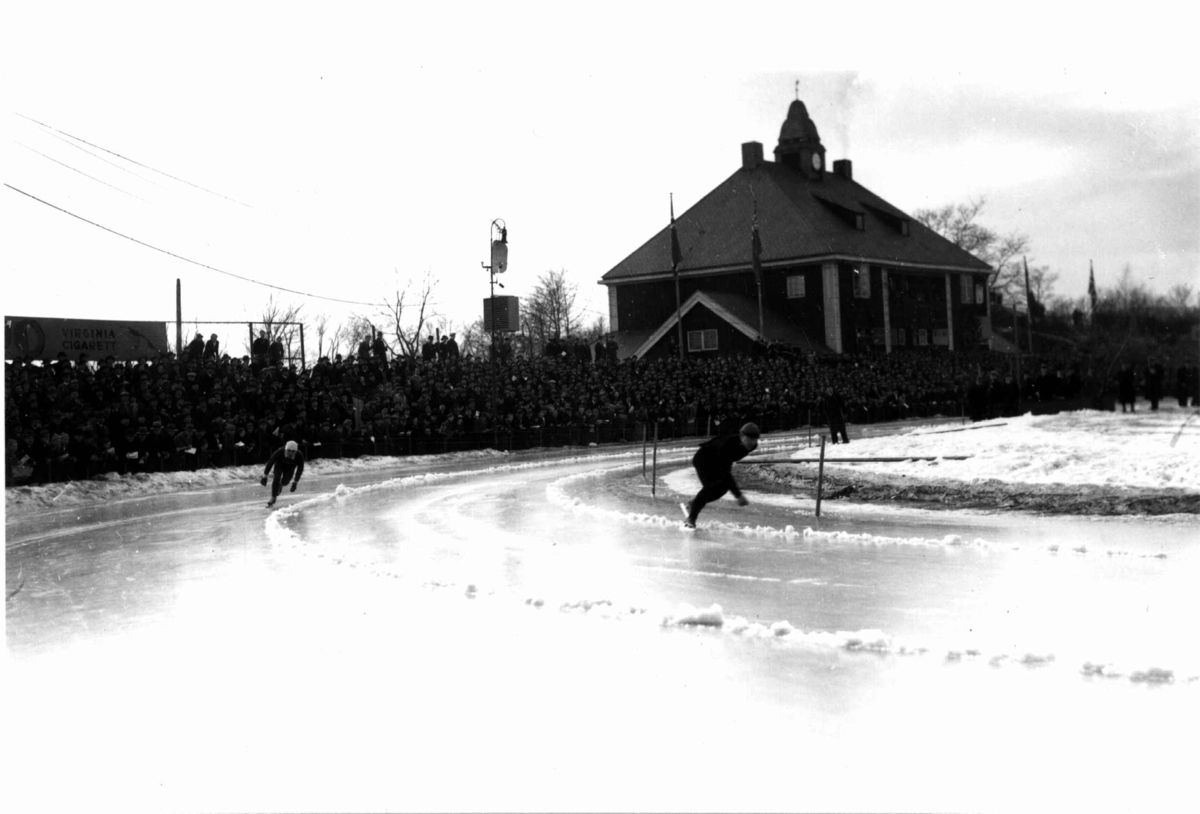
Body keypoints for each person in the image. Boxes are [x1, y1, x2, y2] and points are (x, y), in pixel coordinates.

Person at [681, 422, 759, 529]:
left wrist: (737, 494)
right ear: (741, 436)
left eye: (754, 439)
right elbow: (726, 472)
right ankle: (691, 518)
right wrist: (738, 495)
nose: (752, 442)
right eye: (749, 438)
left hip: (716, 462)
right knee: (711, 487)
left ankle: (694, 504)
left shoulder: (752, 446)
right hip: (704, 459)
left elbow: (725, 469)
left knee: (722, 488)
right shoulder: (728, 445)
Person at [260, 439, 305, 507]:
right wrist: (265, 476)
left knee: (285, 482)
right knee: (276, 478)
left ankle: (281, 485)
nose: (290, 453)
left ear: (296, 451)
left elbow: (300, 470)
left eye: (293, 451)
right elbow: (270, 462)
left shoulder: (299, 456)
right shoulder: (280, 451)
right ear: (285, 449)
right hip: (279, 465)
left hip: (290, 467)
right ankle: (273, 497)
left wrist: (295, 482)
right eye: (288, 451)